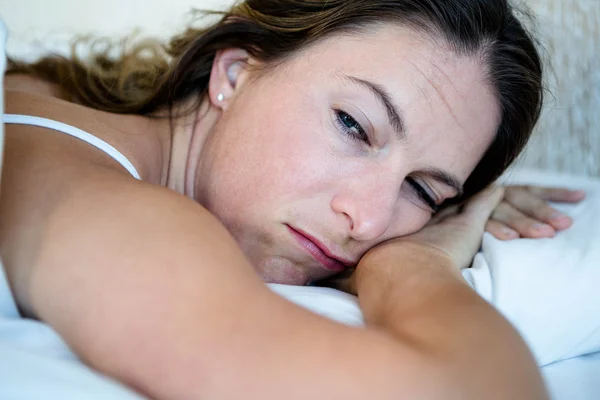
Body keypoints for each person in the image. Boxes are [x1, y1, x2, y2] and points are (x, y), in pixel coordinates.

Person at [0, 0, 585, 398]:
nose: (369, 219)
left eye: (423, 191)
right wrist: (416, 262)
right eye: (354, 126)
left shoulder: (49, 94)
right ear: (233, 73)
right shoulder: (116, 214)